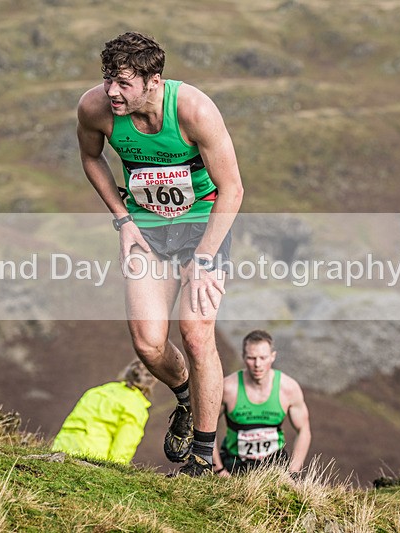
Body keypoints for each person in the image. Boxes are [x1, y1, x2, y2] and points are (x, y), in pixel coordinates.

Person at [76, 31, 244, 476]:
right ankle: (186, 399)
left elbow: (233, 189)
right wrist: (122, 218)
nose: (112, 91)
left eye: (124, 82)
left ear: (154, 80)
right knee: (149, 343)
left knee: (195, 330)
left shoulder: (193, 110)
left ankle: (204, 458)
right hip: (146, 228)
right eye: (108, 78)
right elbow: (91, 158)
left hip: (202, 223)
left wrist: (205, 259)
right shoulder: (95, 108)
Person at [213, 330, 311, 476]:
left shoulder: (289, 388)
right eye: (252, 358)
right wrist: (219, 470)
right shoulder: (227, 388)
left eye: (263, 358)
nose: (257, 364)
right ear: (243, 357)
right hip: (234, 464)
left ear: (273, 357)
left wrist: (293, 473)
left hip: (275, 465)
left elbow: (304, 430)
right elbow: (207, 428)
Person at [51, 359, 158, 464]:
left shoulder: (97, 391)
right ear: (151, 382)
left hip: (60, 448)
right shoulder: (135, 406)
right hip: (91, 457)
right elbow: (123, 446)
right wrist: (115, 471)